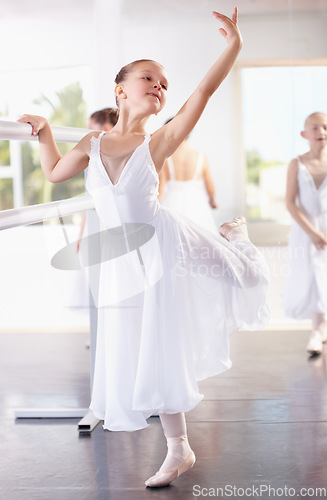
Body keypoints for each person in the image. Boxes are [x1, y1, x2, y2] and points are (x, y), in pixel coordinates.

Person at [18, 8, 269, 488]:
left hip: (166, 246)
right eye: (149, 78)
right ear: (121, 89)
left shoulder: (158, 143)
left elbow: (203, 93)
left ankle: (238, 238)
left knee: (247, 276)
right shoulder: (92, 143)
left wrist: (234, 45)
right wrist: (46, 129)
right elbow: (53, 173)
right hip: (121, 261)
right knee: (149, 347)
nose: (159, 86)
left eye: (164, 83)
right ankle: (179, 449)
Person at [284, 112, 327, 356]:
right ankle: (317, 329)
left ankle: (321, 327)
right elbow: (290, 203)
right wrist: (312, 232)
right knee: (313, 276)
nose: (321, 132)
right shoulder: (296, 164)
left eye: (325, 127)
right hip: (306, 229)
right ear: (304, 134)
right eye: (315, 127)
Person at [159, 119, 218, 233]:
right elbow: (209, 186)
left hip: (171, 203)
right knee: (200, 236)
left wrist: (153, 208)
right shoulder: (201, 157)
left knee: (172, 235)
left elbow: (159, 190)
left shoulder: (165, 159)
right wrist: (212, 200)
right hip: (196, 203)